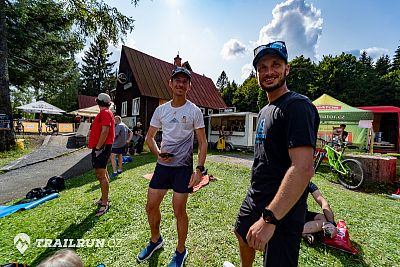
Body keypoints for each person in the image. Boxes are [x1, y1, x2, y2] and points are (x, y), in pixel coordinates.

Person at [232, 41, 320, 267]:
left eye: (276, 65)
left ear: (287, 69)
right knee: (242, 234)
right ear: (256, 75)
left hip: (284, 209)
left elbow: (303, 168)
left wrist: (269, 219)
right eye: (262, 67)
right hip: (256, 196)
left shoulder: (298, 106)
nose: (269, 71)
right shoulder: (265, 110)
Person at [137, 66, 207, 266]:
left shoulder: (194, 111)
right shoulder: (161, 110)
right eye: (177, 80)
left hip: (183, 167)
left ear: (189, 86)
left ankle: (180, 251)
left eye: (185, 81)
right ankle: (155, 240)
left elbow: (202, 143)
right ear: (170, 83)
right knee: (150, 206)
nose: (180, 84)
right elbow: (149, 137)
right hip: (163, 166)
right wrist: (158, 153)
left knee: (179, 210)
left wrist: (199, 169)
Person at [87, 93, 115, 216]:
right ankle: (104, 198)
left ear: (98, 102)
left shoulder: (105, 113)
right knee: (103, 173)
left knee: (101, 175)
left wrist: (98, 147)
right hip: (102, 147)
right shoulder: (106, 113)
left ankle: (105, 203)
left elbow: (105, 131)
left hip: (102, 147)